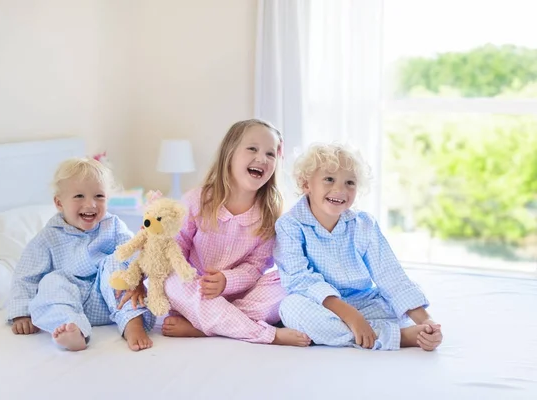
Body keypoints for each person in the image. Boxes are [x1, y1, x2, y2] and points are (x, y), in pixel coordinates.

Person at [274, 142, 443, 351]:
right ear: (306, 184)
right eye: (329, 179)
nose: (340, 190)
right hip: (321, 305)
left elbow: (390, 274)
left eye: (350, 183)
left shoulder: (364, 224)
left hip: (365, 302)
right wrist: (350, 315)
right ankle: (396, 337)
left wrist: (427, 324)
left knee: (397, 305)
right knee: (290, 308)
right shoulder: (290, 225)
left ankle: (366, 331)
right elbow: (299, 279)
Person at [159, 119, 311, 347]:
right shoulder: (196, 200)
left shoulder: (270, 215)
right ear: (229, 153)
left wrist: (227, 281)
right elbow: (174, 248)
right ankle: (266, 334)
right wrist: (194, 278)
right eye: (252, 149)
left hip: (240, 295)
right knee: (172, 281)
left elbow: (255, 267)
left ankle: (204, 327)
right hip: (197, 292)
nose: (262, 158)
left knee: (284, 282)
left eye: (270, 154)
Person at [7, 157, 155, 351]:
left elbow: (133, 254)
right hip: (71, 302)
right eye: (79, 196)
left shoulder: (113, 226)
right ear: (59, 203)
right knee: (51, 281)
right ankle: (73, 329)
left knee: (116, 261)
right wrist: (21, 313)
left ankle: (132, 323)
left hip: (108, 300)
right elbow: (26, 276)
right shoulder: (49, 236)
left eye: (99, 196)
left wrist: (140, 271)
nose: (91, 204)